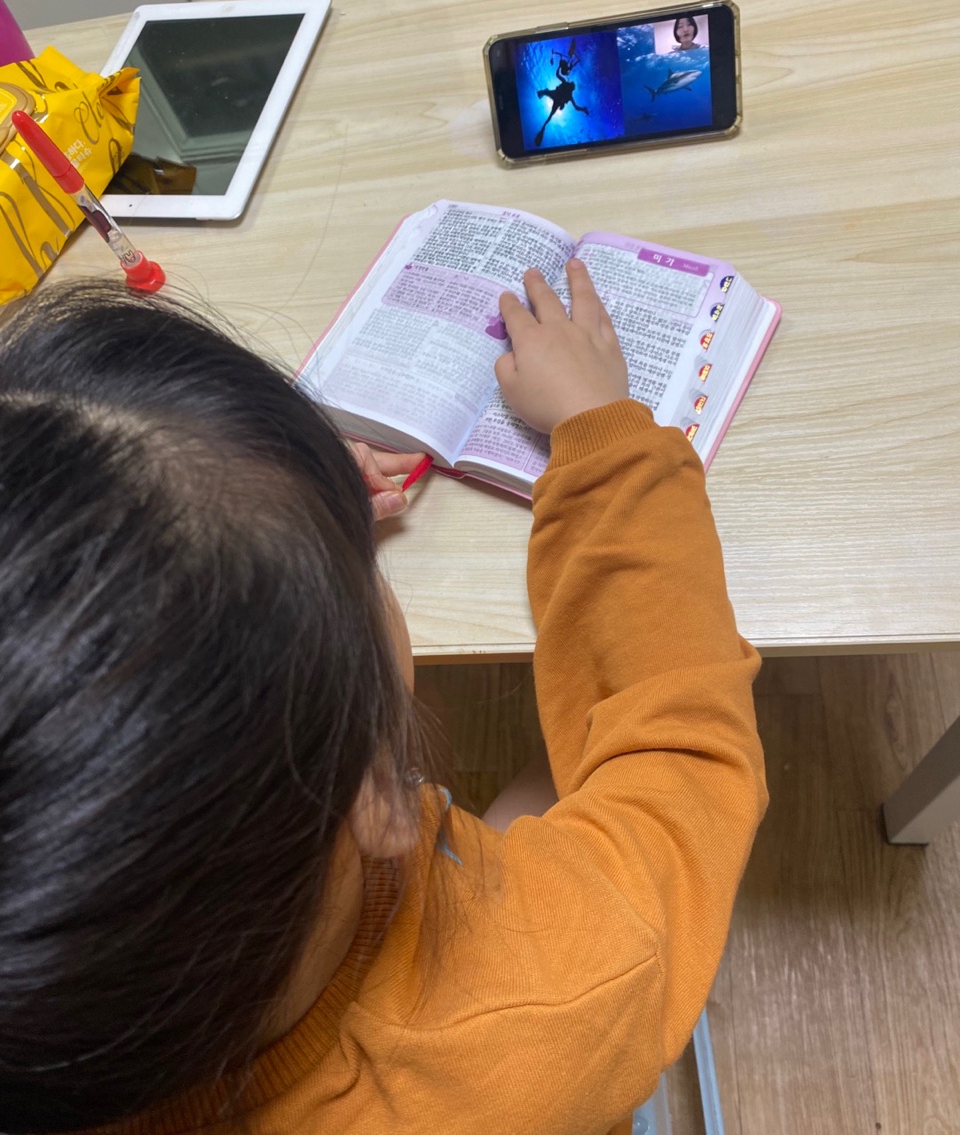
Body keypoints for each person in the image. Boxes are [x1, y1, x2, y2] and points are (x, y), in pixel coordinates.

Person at [0, 263, 767, 1135]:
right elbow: (681, 750)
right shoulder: (546, 1008)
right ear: (381, 791)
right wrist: (604, 442)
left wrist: (270, 521)